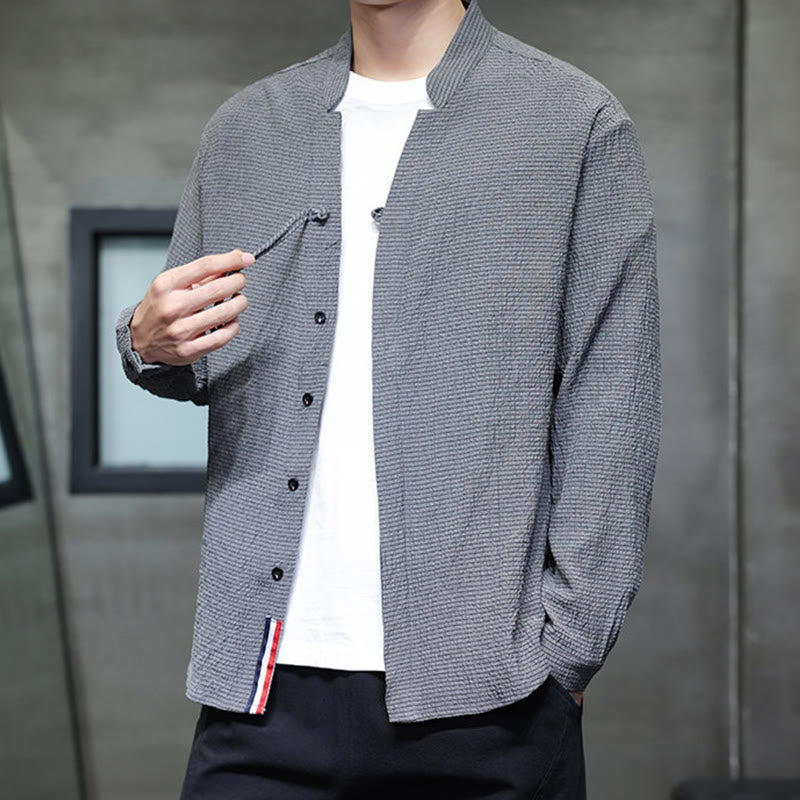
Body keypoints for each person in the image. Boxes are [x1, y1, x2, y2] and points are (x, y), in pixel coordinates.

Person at [115, 0, 662, 797]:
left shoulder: (573, 124)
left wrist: (567, 653)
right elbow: (187, 355)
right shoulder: (246, 130)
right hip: (260, 691)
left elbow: (612, 402)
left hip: (491, 698)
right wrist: (143, 340)